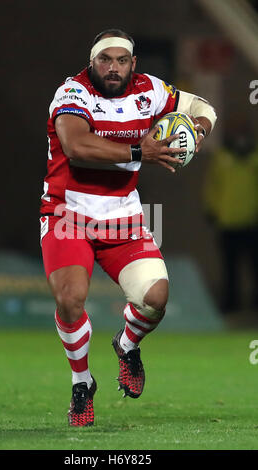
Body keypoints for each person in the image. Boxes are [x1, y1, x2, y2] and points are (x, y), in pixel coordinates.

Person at [40, 29, 217, 426]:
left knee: (156, 297)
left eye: (122, 60)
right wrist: (142, 150)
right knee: (71, 298)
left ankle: (127, 345)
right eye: (106, 60)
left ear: (133, 64)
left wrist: (198, 131)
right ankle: (82, 383)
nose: (114, 68)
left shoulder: (150, 90)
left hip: (124, 216)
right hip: (69, 214)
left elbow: (203, 106)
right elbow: (76, 146)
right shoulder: (73, 92)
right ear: (92, 62)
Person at [203, 122, 258, 312]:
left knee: (255, 267)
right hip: (227, 222)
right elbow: (213, 185)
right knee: (229, 267)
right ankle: (231, 302)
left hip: (252, 221)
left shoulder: (255, 157)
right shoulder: (221, 157)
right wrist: (211, 208)